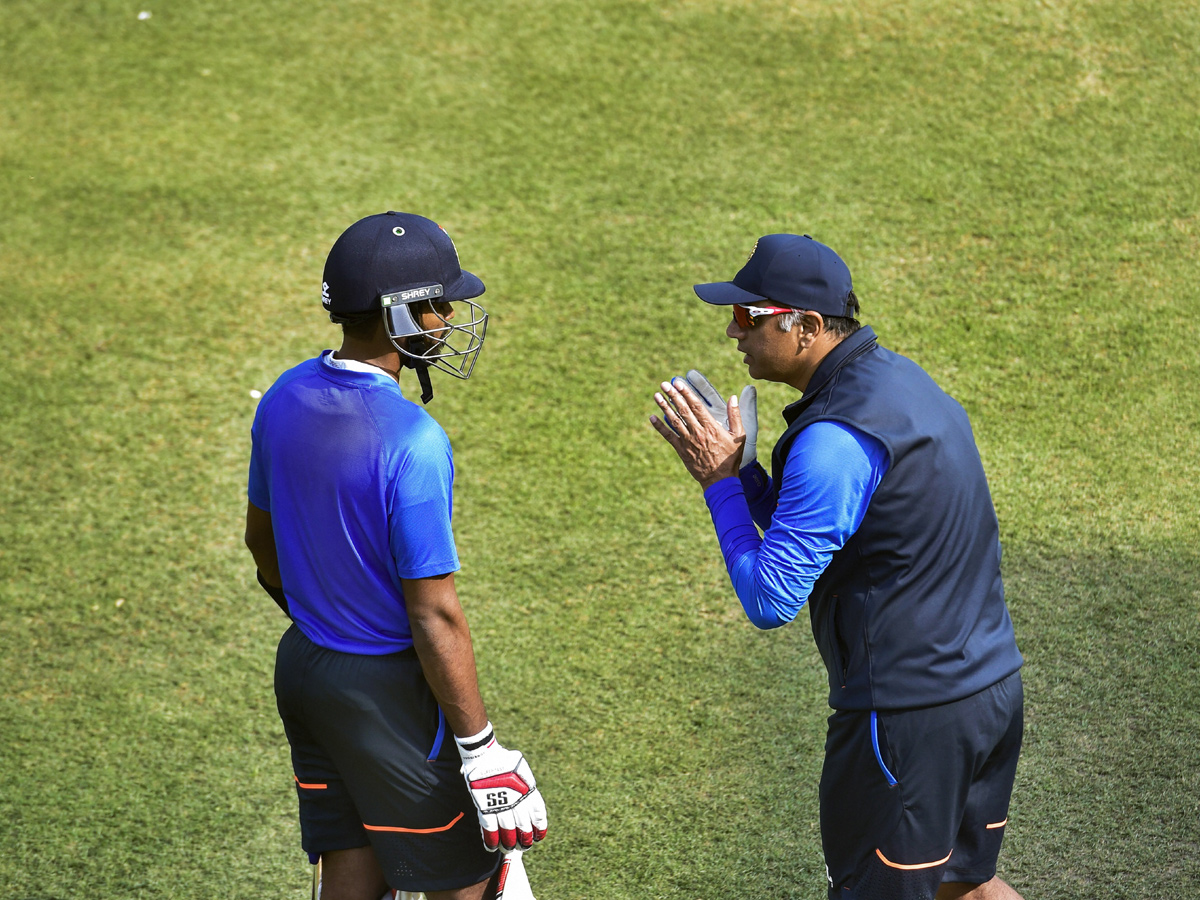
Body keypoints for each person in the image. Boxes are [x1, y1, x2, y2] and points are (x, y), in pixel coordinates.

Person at [649, 233, 1025, 900]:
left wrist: (718, 485)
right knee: (963, 888)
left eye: (748, 318)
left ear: (808, 328)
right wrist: (746, 476)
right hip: (988, 691)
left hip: (909, 721)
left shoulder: (834, 438)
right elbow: (842, 529)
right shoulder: (898, 382)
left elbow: (771, 598)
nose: (733, 334)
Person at [244, 212, 547, 900]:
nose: (448, 317)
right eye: (438, 303)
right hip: (387, 698)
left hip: (305, 673)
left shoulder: (284, 397)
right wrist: (481, 752)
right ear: (400, 314)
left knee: (354, 867)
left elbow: (259, 544)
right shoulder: (413, 440)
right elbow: (434, 612)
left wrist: (325, 618)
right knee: (469, 884)